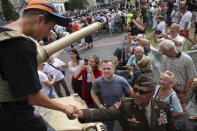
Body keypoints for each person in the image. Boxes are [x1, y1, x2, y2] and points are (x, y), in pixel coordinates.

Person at [0, 0, 77, 130]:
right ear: (40, 19)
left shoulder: (3, 34)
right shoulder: (20, 45)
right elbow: (34, 98)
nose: (48, 34)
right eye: (50, 28)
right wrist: (65, 108)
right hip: (13, 116)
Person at [76, 74, 178, 131]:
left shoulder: (163, 106)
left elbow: (171, 127)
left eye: (142, 92)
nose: (136, 94)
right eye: (135, 90)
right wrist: (80, 113)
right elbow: (104, 113)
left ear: (152, 93)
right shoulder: (124, 105)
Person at [90, 59, 133, 131]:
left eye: (109, 68)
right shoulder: (97, 82)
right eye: (104, 69)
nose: (106, 71)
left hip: (120, 108)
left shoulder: (121, 80)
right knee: (110, 128)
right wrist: (99, 105)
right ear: (101, 69)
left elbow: (132, 93)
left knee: (125, 127)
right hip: (108, 110)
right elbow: (93, 93)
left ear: (114, 69)